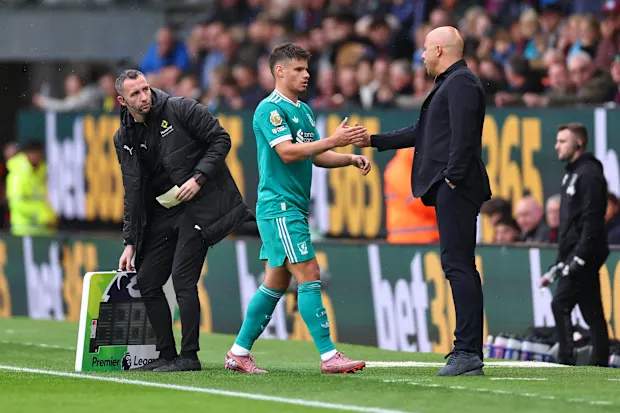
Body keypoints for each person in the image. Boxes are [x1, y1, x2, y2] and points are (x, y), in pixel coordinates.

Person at [225, 43, 370, 374]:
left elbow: (316, 154)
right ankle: (329, 355)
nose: (307, 75)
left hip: (291, 207)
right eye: (299, 69)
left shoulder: (303, 110)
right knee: (309, 273)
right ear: (279, 71)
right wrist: (333, 140)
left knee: (276, 282)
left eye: (307, 69)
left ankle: (238, 353)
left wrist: (348, 157)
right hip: (280, 206)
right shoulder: (269, 110)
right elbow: (288, 153)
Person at [354, 26, 491, 376]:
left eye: (426, 50)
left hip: (457, 186)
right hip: (453, 185)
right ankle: (467, 350)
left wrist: (452, 178)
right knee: (457, 264)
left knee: (458, 265)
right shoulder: (452, 83)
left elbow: (464, 136)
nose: (422, 57)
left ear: (440, 50)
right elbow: (422, 131)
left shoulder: (460, 83)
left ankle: (467, 351)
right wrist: (373, 140)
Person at [114, 69, 253, 372]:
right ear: (122, 101)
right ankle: (166, 354)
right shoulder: (123, 137)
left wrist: (198, 178)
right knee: (147, 281)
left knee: (182, 280)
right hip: (162, 213)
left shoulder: (181, 108)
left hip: (196, 208)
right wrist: (130, 241)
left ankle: (189, 356)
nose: (144, 96)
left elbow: (221, 139)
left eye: (145, 89)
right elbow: (132, 191)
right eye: (135, 93)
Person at [538, 123, 610, 367]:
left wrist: (579, 256)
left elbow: (592, 220)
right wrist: (560, 261)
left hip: (585, 253)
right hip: (576, 252)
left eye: (562, 141)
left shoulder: (589, 174)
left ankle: (566, 359)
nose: (556, 146)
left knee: (560, 303)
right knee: (592, 311)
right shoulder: (572, 173)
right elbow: (570, 225)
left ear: (578, 143)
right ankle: (599, 362)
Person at [6, 141, 57, 236]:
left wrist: (51, 216)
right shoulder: (18, 174)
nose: (36, 156)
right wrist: (40, 215)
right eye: (33, 152)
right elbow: (16, 204)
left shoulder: (42, 171)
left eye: (38, 152)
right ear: (26, 154)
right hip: (23, 229)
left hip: (43, 228)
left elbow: (45, 199)